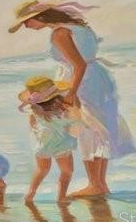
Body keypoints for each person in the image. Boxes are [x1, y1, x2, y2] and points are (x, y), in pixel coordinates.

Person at [9, 0, 136, 198]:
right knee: (98, 129)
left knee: (87, 129)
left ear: (40, 17)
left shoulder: (60, 33)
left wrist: (71, 93)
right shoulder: (78, 27)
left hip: (82, 83)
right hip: (98, 79)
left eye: (27, 22)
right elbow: (84, 62)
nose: (26, 26)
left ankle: (95, 184)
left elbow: (79, 65)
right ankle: (99, 183)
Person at [17, 75, 85, 204]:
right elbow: (75, 122)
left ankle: (30, 193)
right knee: (67, 171)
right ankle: (61, 197)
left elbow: (32, 125)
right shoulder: (63, 109)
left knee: (42, 169)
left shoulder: (35, 110)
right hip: (61, 144)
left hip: (42, 143)